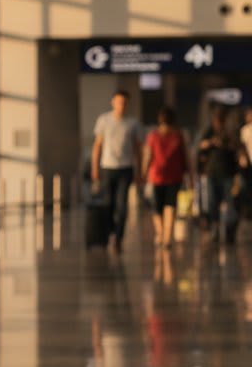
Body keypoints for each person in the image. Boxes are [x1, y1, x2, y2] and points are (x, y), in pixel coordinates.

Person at [90, 89, 143, 252]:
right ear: (113, 102)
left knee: (122, 205)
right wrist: (95, 168)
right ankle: (109, 233)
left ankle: (118, 237)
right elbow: (97, 146)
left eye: (124, 103)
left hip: (125, 168)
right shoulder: (104, 120)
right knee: (108, 203)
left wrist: (140, 171)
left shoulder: (132, 123)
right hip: (107, 167)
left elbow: (137, 149)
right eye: (118, 102)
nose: (121, 105)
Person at [141, 106, 190, 249]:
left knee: (156, 209)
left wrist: (143, 174)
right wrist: (191, 176)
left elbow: (148, 156)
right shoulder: (178, 136)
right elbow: (186, 157)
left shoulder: (153, 136)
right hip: (174, 176)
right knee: (170, 207)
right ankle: (167, 238)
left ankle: (161, 233)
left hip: (156, 176)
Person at [197, 106, 240, 244]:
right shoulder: (209, 130)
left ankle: (229, 231)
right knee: (212, 202)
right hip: (212, 173)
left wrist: (225, 145)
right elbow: (200, 146)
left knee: (230, 204)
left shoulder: (230, 131)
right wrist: (211, 143)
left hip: (228, 173)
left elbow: (237, 148)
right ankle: (214, 229)